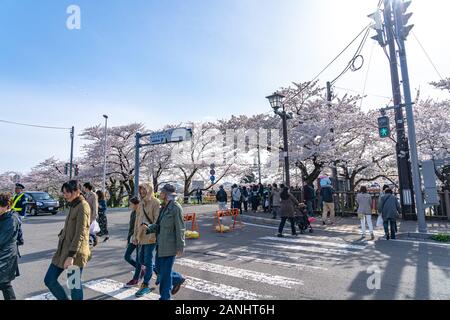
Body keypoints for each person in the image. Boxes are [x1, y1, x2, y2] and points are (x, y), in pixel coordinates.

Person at [44, 180, 91, 300]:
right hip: (63, 250)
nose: (65, 195)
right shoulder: (73, 204)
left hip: (74, 253)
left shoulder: (83, 206)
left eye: (68, 192)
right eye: (64, 192)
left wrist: (71, 256)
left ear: (77, 191)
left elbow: (81, 233)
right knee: (49, 279)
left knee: (74, 284)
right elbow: (72, 226)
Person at [145, 184, 186, 300]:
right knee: (158, 269)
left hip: (170, 246)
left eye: (162, 192)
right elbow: (159, 225)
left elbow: (180, 228)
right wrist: (149, 228)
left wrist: (180, 246)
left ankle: (165, 297)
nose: (160, 193)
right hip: (160, 244)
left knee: (165, 275)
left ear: (167, 194)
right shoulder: (163, 207)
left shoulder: (176, 208)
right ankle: (177, 279)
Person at [133, 183, 160, 297]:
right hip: (140, 236)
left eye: (144, 189)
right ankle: (172, 277)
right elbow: (137, 221)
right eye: (141, 189)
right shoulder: (140, 204)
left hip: (150, 236)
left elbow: (157, 221)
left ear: (149, 189)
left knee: (147, 261)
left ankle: (145, 284)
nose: (142, 191)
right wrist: (135, 235)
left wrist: (148, 227)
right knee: (140, 260)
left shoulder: (155, 202)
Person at [0, 192, 21, 300]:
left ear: (7, 206)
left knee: (4, 283)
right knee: (3, 283)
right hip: (6, 253)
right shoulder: (6, 216)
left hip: (6, 255)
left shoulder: (11, 219)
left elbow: (1, 240)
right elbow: (20, 238)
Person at [124, 197, 144, 287]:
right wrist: (128, 240)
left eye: (131, 204)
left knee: (139, 259)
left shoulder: (140, 213)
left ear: (136, 204)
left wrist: (137, 237)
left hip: (139, 238)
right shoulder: (133, 213)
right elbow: (131, 228)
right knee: (127, 256)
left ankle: (136, 278)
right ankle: (141, 269)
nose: (130, 205)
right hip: (132, 238)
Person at [82, 182, 98, 247]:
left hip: (91, 215)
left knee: (89, 229)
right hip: (86, 214)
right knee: (86, 228)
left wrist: (94, 216)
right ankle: (90, 240)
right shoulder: (86, 195)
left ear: (87, 187)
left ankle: (93, 239)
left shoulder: (93, 195)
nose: (83, 188)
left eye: (84, 187)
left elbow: (95, 205)